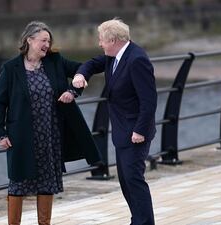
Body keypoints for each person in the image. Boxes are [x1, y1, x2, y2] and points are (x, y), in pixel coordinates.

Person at [0, 21, 101, 225]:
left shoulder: (55, 62)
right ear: (30, 40)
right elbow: (0, 103)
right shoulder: (10, 68)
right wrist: (0, 132)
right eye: (43, 40)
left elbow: (81, 69)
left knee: (46, 183)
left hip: (50, 135)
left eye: (49, 41)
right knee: (18, 183)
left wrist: (73, 90)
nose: (47, 44)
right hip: (22, 137)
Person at [72, 18, 157, 225]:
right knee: (126, 182)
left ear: (113, 40)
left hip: (135, 133)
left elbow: (149, 100)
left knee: (134, 180)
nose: (100, 44)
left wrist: (140, 131)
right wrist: (80, 75)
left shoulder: (137, 59)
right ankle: (137, 220)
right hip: (121, 132)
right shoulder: (114, 56)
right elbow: (92, 64)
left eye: (102, 40)